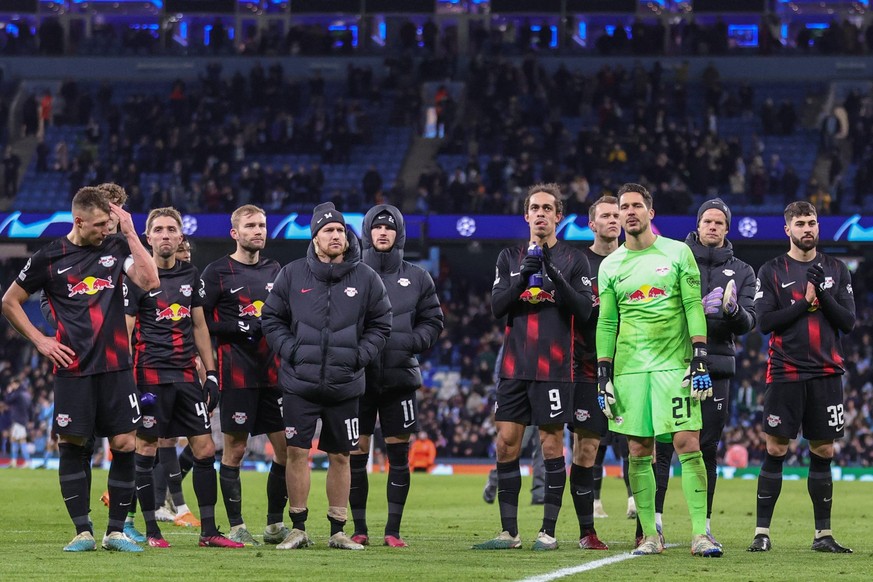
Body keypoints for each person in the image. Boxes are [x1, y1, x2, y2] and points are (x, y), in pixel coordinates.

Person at [1, 186, 159, 552]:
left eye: (110, 223)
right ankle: (83, 530)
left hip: (117, 365)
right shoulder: (49, 257)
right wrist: (40, 341)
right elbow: (10, 302)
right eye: (101, 224)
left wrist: (131, 232)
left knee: (124, 442)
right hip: (73, 368)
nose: (106, 230)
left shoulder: (116, 247)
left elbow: (150, 281)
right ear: (78, 221)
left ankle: (116, 531)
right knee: (72, 443)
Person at [595, 183, 721, 557]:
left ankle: (701, 534)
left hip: (674, 365)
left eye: (636, 206)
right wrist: (603, 373)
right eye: (623, 208)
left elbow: (692, 306)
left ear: (650, 211)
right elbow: (606, 323)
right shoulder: (610, 264)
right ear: (617, 216)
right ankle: (651, 535)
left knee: (688, 444)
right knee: (638, 449)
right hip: (630, 371)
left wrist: (700, 354)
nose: (629, 212)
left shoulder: (678, 252)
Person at [262, 202, 392, 551]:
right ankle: (298, 527)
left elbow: (382, 323)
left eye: (340, 231)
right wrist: (292, 351)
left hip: (346, 384)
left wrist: (359, 357)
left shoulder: (366, 277)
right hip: (299, 383)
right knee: (296, 452)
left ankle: (338, 530)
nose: (337, 235)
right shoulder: (292, 274)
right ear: (315, 237)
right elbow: (270, 319)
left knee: (341, 456)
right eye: (328, 230)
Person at [473, 183, 593, 551]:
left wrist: (554, 275)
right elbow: (497, 307)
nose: (540, 214)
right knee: (506, 444)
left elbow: (585, 310)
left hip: (555, 368)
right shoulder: (509, 257)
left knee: (552, 444)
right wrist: (524, 275)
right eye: (534, 208)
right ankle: (509, 533)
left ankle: (549, 532)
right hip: (514, 366)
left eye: (548, 208)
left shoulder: (575, 259)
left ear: (559, 216)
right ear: (526, 215)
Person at [125, 207, 243, 549]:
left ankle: (208, 531)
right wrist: (126, 380)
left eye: (170, 229)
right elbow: (128, 330)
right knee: (146, 448)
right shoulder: (136, 278)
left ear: (180, 237)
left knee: (205, 450)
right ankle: (152, 531)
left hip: (186, 377)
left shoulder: (191, 275)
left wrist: (211, 374)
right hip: (149, 376)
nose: (164, 235)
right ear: (148, 238)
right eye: (158, 229)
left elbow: (200, 325)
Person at [748, 201, 855, 554]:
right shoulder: (772, 270)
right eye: (800, 223)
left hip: (827, 373)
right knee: (776, 447)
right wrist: (802, 303)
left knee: (823, 449)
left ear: (818, 227)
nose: (807, 228)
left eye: (812, 223)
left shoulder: (837, 269)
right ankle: (761, 533)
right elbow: (765, 323)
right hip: (785, 372)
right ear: (787, 230)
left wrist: (821, 294)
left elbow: (848, 322)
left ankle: (822, 535)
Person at [654, 198, 756, 548]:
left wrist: (733, 311)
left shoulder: (743, 271)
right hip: (673, 361)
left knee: (707, 447)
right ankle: (654, 525)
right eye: (707, 221)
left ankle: (704, 526)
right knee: (663, 443)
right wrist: (691, 308)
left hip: (716, 367)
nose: (712, 227)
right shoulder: (672, 259)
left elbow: (750, 322)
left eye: (719, 223)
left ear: (727, 229)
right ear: (698, 225)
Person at [349, 204, 444, 548]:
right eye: (377, 228)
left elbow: (434, 321)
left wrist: (409, 343)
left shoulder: (418, 277)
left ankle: (392, 531)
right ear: (367, 233)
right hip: (357, 381)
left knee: (399, 455)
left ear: (398, 234)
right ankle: (359, 529)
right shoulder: (351, 273)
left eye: (389, 228)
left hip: (400, 379)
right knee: (357, 453)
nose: (383, 233)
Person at [201, 204, 289, 547]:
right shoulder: (217, 272)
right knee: (234, 451)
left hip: (274, 374)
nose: (259, 231)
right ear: (234, 233)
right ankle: (237, 525)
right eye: (251, 225)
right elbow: (201, 322)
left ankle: (273, 525)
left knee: (284, 451)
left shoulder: (275, 269)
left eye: (262, 225)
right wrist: (235, 326)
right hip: (236, 373)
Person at [571, 195, 624, 551]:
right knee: (586, 448)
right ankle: (587, 530)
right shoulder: (578, 262)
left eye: (617, 215)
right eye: (605, 215)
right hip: (588, 368)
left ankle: (646, 529)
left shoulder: (636, 260)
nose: (613, 220)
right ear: (592, 224)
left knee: (641, 449)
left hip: (633, 368)